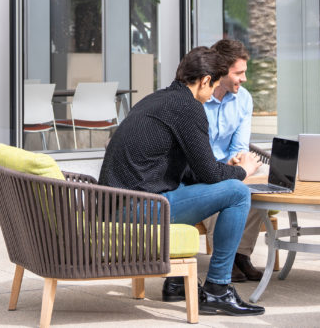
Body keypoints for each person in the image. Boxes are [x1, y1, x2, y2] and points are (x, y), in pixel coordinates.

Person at [98, 47, 266, 317]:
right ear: (204, 81)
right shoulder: (188, 108)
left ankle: (176, 282)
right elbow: (210, 175)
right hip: (137, 208)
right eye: (212, 86)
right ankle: (218, 289)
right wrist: (243, 172)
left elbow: (193, 171)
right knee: (237, 193)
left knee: (190, 186)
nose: (212, 94)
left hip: (118, 204)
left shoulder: (161, 99)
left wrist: (223, 169)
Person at [195, 40, 272, 283]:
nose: (244, 79)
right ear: (221, 71)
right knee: (226, 187)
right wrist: (228, 168)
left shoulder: (244, 99)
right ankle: (224, 257)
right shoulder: (197, 99)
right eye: (239, 73)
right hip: (201, 169)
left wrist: (239, 160)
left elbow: (240, 145)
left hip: (229, 164)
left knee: (270, 177)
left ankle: (240, 254)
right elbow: (196, 154)